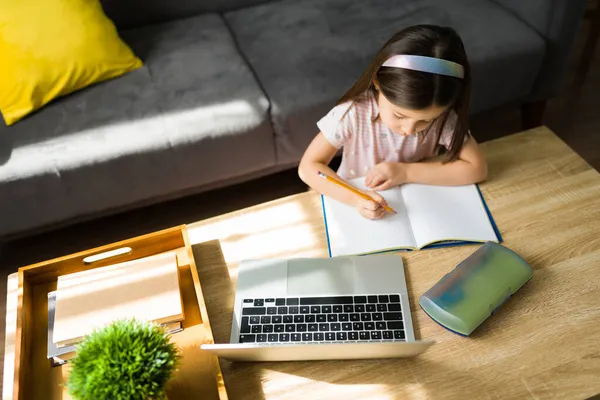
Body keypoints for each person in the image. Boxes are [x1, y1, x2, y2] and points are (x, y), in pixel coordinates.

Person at [298, 25, 487, 220]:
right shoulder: (353, 113)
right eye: (399, 115)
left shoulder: (443, 118)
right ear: (378, 83)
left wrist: (404, 172)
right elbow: (309, 167)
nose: (409, 129)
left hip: (417, 203)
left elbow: (477, 169)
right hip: (351, 204)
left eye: (426, 121)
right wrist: (356, 199)